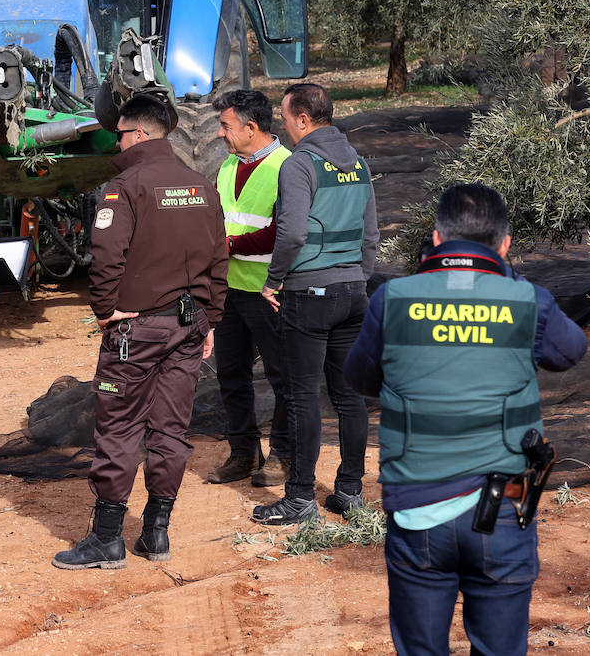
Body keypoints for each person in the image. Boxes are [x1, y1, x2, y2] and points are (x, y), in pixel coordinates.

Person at [346, 183, 586, 655]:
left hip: (417, 513)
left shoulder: (392, 298)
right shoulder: (527, 301)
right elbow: (570, 351)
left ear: (436, 239)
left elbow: (361, 378)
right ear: (504, 244)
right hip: (503, 508)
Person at [53, 95, 227, 569]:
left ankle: (107, 538)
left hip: (137, 330)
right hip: (188, 328)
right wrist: (209, 317)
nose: (118, 141)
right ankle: (157, 533)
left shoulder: (124, 187)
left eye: (122, 134)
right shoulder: (200, 186)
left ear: (141, 135)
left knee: (120, 427)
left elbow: (106, 258)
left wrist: (105, 310)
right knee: (171, 429)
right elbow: (218, 259)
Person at [254, 82, 378, 525]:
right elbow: (371, 235)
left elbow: (291, 234)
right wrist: (357, 280)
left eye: (285, 119)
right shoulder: (358, 163)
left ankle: (300, 497)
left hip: (309, 293)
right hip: (352, 294)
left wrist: (274, 281)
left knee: (303, 395)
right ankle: (349, 491)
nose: (283, 128)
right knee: (350, 398)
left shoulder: (299, 165)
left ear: (304, 120)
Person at [206, 89, 292, 488]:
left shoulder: (286, 167)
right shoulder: (227, 166)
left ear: (250, 127)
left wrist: (230, 246)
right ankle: (244, 453)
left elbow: (285, 232)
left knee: (282, 375)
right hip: (229, 291)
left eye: (225, 126)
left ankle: (284, 456)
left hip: (269, 291)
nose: (220, 133)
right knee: (231, 374)